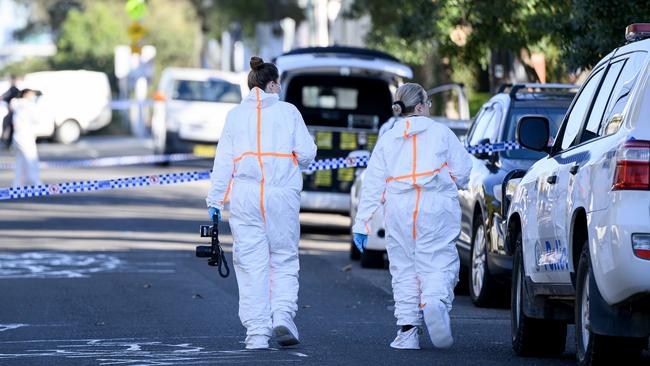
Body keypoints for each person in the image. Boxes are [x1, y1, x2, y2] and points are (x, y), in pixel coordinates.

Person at [206, 56, 317, 350]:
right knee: (283, 259)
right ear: (270, 84)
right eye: (278, 83)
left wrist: (215, 199)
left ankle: (256, 333)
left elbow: (223, 162)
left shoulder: (234, 116)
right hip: (281, 196)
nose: (279, 88)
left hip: (245, 198)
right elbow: (306, 154)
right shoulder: (289, 112)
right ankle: (282, 314)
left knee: (250, 263)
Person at [352, 83, 472, 350]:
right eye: (427, 103)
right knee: (439, 259)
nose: (429, 107)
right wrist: (451, 180)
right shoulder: (442, 133)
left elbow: (373, 183)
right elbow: (464, 170)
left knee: (403, 268)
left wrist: (362, 223)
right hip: (436, 205)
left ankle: (407, 333)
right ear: (419, 106)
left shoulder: (388, 138)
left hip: (399, 208)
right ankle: (433, 302)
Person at [11, 88, 41, 187]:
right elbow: (37, 118)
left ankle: (17, 185)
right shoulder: (27, 105)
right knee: (31, 160)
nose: (33, 96)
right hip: (25, 137)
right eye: (32, 93)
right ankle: (36, 183)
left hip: (18, 137)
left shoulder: (18, 104)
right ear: (26, 94)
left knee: (20, 163)